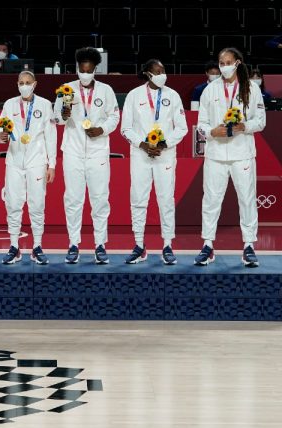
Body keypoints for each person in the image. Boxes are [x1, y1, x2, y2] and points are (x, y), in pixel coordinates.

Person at [195, 48, 266, 267]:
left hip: (242, 153)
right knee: (211, 201)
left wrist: (244, 126)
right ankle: (207, 245)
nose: (223, 66)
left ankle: (249, 246)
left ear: (237, 63)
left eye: (228, 62)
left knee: (246, 199)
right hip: (216, 153)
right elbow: (201, 124)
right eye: (221, 62)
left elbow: (261, 121)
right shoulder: (209, 90)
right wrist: (210, 132)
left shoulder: (251, 88)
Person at [53, 47, 120, 265]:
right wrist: (63, 112)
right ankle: (73, 244)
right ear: (77, 69)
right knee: (73, 200)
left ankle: (100, 245)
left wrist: (102, 129)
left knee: (100, 199)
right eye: (82, 70)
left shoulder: (106, 90)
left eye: (89, 70)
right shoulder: (66, 89)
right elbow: (58, 119)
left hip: (98, 150)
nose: (85, 73)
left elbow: (114, 117)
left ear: (95, 70)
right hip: (72, 150)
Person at [120, 59, 188, 265]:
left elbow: (182, 128)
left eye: (163, 70)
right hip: (141, 155)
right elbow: (125, 128)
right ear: (148, 74)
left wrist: (164, 144)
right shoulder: (134, 95)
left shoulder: (173, 95)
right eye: (157, 71)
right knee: (139, 200)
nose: (162, 74)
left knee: (166, 199)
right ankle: (139, 245)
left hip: (165, 155)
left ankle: (167, 245)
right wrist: (142, 144)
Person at [0, 71, 57, 265]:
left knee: (37, 204)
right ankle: (14, 246)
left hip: (37, 161)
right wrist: (0, 136)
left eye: (28, 82)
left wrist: (52, 164)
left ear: (35, 84)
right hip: (14, 160)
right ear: (17, 84)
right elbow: (0, 130)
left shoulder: (45, 105)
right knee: (13, 204)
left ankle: (37, 246)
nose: (24, 85)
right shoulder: (9, 104)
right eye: (21, 82)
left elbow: (51, 136)